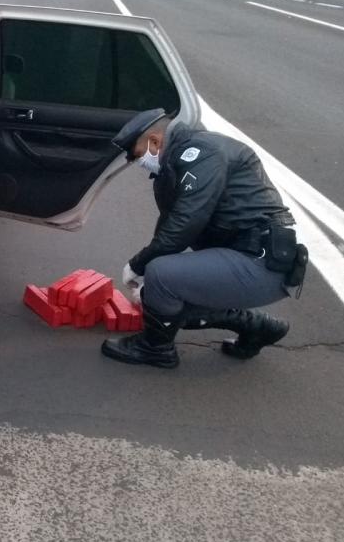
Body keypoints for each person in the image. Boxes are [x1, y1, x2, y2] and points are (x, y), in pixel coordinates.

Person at [101, 109, 306, 369]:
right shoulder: (178, 162)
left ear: (154, 141)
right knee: (162, 294)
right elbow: (170, 225)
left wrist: (139, 265)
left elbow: (186, 224)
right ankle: (259, 327)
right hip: (248, 257)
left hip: (262, 262)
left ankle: (155, 348)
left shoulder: (202, 153)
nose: (139, 162)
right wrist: (147, 283)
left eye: (138, 154)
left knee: (161, 275)